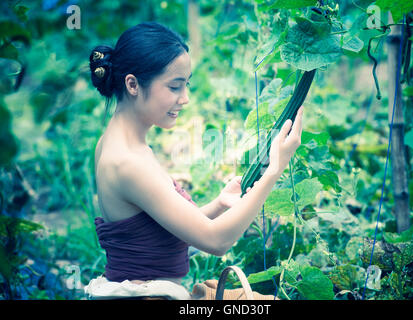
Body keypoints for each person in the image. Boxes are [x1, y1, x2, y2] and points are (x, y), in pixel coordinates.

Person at [85, 22, 304, 300]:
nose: (184, 98)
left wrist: (219, 204)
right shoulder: (127, 162)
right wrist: (274, 170)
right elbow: (216, 241)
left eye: (186, 85)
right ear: (132, 84)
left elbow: (158, 231)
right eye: (175, 86)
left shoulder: (119, 143)